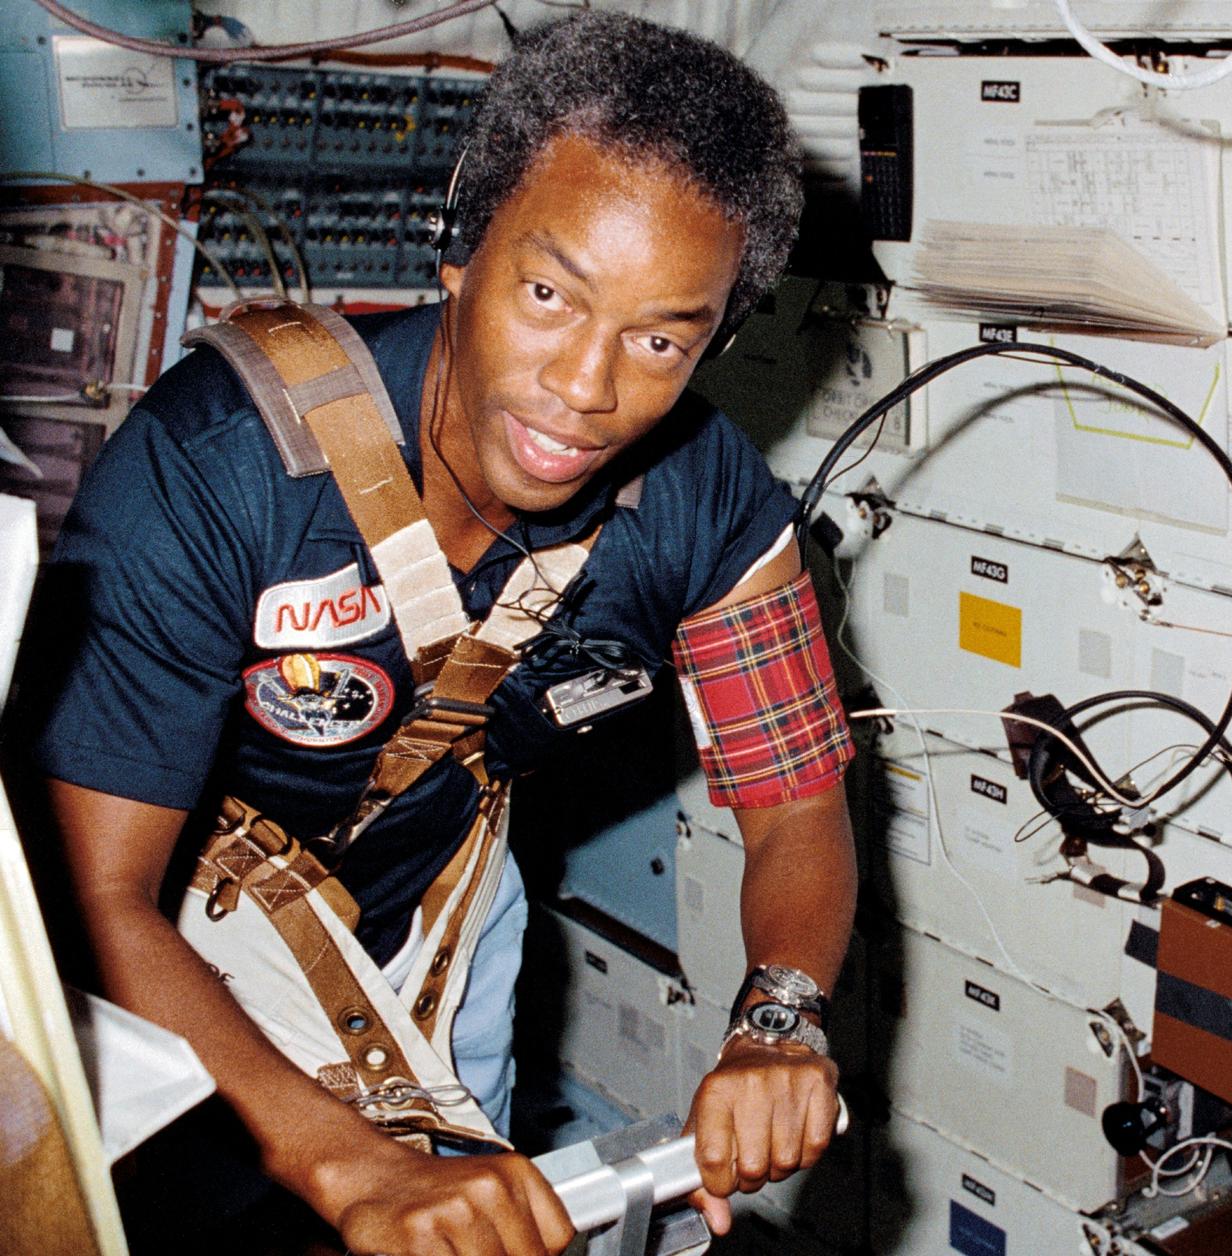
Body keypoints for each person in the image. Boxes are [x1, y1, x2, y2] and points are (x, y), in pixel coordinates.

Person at [26, 13, 856, 1254]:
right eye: (548, 293)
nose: (586, 385)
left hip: (437, 926)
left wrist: (778, 1020)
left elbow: (797, 800)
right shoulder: (221, 464)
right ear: (464, 238)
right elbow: (96, 896)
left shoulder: (714, 506)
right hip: (173, 945)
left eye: (661, 339)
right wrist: (353, 1164)